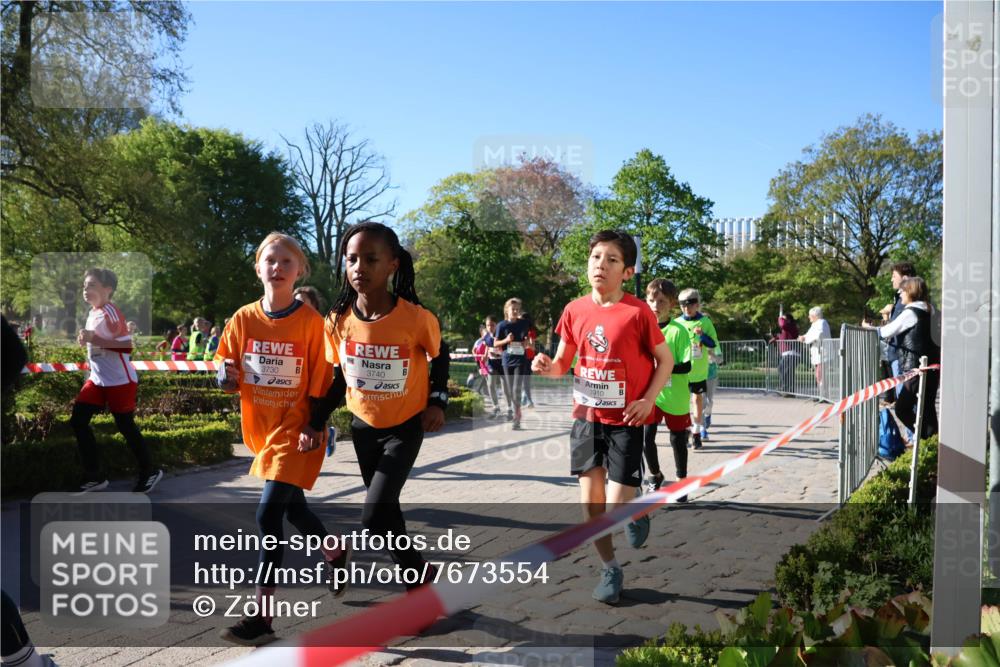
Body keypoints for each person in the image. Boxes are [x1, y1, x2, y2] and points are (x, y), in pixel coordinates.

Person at [215, 232, 347, 646]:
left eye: (286, 262)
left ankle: (263, 618)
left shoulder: (312, 325)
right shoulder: (242, 319)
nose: (277, 267)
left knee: (267, 516)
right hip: (263, 433)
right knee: (295, 511)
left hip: (298, 431)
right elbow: (225, 361)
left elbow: (326, 383)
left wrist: (314, 427)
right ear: (258, 267)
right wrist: (223, 374)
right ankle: (334, 552)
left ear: (300, 271)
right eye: (270, 260)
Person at [532, 230, 672, 604]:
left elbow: (666, 360)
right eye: (596, 257)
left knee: (613, 509)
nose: (601, 265)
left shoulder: (638, 312)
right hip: (587, 419)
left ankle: (635, 509)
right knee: (591, 508)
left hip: (626, 419)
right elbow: (563, 363)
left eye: (612, 260)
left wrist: (648, 400)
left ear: (626, 272)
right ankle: (609, 568)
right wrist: (546, 367)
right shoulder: (574, 309)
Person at [313, 221, 449, 593]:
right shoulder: (337, 320)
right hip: (363, 427)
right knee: (388, 512)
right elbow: (339, 377)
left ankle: (349, 556)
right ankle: (419, 582)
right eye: (352, 259)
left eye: (371, 259)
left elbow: (441, 355)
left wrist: (438, 400)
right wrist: (316, 420)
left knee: (374, 517)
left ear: (392, 265)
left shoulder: (416, 317)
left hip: (404, 427)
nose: (359, 267)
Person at [71, 268, 162, 494]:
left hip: (120, 381)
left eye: (91, 285)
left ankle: (149, 471)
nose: (86, 289)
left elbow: (127, 346)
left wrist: (95, 338)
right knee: (78, 420)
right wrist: (86, 338)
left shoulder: (111, 311)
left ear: (107, 289)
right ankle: (95, 476)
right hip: (98, 379)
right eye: (85, 285)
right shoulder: (94, 312)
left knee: (125, 426)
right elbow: (97, 341)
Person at [864, 276, 940, 439]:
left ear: (910, 291)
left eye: (902, 291)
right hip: (931, 366)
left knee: (902, 408)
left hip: (915, 367)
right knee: (928, 407)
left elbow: (885, 332)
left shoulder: (911, 312)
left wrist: (867, 329)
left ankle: (924, 438)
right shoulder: (931, 309)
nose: (900, 294)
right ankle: (933, 445)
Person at [644, 279, 692, 498]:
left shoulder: (678, 331)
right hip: (650, 395)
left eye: (661, 301)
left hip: (675, 395)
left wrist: (663, 367)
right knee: (646, 438)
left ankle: (682, 482)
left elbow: (686, 365)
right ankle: (655, 475)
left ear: (672, 303)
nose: (656, 305)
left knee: (677, 439)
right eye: (652, 300)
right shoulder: (642, 328)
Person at [676, 289, 719, 450]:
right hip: (681, 370)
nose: (687, 308)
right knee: (681, 403)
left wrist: (702, 336)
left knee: (697, 399)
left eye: (690, 304)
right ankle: (686, 430)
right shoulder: (677, 323)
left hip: (699, 370)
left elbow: (713, 344)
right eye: (682, 305)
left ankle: (697, 431)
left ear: (697, 304)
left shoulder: (705, 322)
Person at [880, 261, 917, 437]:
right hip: (898, 355)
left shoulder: (908, 303)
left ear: (905, 278)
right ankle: (914, 436)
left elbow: (894, 327)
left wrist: (876, 330)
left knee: (905, 401)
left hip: (902, 357)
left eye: (894, 276)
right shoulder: (901, 299)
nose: (891, 280)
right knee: (903, 399)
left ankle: (915, 437)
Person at [494, 298, 533, 430]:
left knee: (516, 388)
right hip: (506, 361)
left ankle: (517, 417)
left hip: (520, 360)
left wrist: (526, 343)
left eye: (517, 309)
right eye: (513, 309)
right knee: (510, 390)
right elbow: (495, 343)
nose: (516, 311)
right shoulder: (501, 326)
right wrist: (506, 340)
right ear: (507, 311)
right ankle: (517, 409)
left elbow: (527, 342)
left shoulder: (524, 324)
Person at [799, 306, 832, 392]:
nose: (808, 317)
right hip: (818, 354)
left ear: (815, 315)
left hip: (822, 354)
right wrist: (803, 337)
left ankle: (823, 394)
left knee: (820, 374)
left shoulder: (822, 322)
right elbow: (809, 334)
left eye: (810, 315)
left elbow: (818, 335)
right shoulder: (815, 324)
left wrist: (805, 339)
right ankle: (822, 393)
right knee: (819, 374)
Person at [481, 316, 506, 419]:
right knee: (490, 384)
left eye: (492, 325)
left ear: (497, 325)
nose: (490, 327)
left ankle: (510, 408)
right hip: (492, 363)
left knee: (506, 388)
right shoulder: (486, 336)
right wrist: (486, 355)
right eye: (488, 325)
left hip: (503, 364)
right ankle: (496, 408)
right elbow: (487, 345)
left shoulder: (501, 334)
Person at [772, 311, 800, 395]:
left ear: (788, 320)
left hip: (791, 353)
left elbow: (782, 324)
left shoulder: (791, 326)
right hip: (787, 353)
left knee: (785, 371)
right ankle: (787, 390)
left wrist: (780, 318)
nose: (782, 320)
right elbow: (783, 336)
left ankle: (786, 390)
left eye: (784, 319)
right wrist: (776, 338)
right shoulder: (787, 328)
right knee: (785, 371)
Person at [520, 312, 538, 408]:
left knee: (525, 380)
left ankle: (529, 401)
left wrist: (526, 343)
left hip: (528, 358)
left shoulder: (531, 332)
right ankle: (524, 399)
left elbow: (533, 347)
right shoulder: (520, 330)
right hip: (520, 357)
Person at [470, 325, 490, 396]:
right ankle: (477, 389)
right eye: (485, 333)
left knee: (486, 376)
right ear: (481, 334)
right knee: (484, 376)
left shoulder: (488, 340)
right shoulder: (478, 341)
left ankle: (483, 390)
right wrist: (476, 355)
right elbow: (473, 350)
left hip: (486, 361)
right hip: (480, 362)